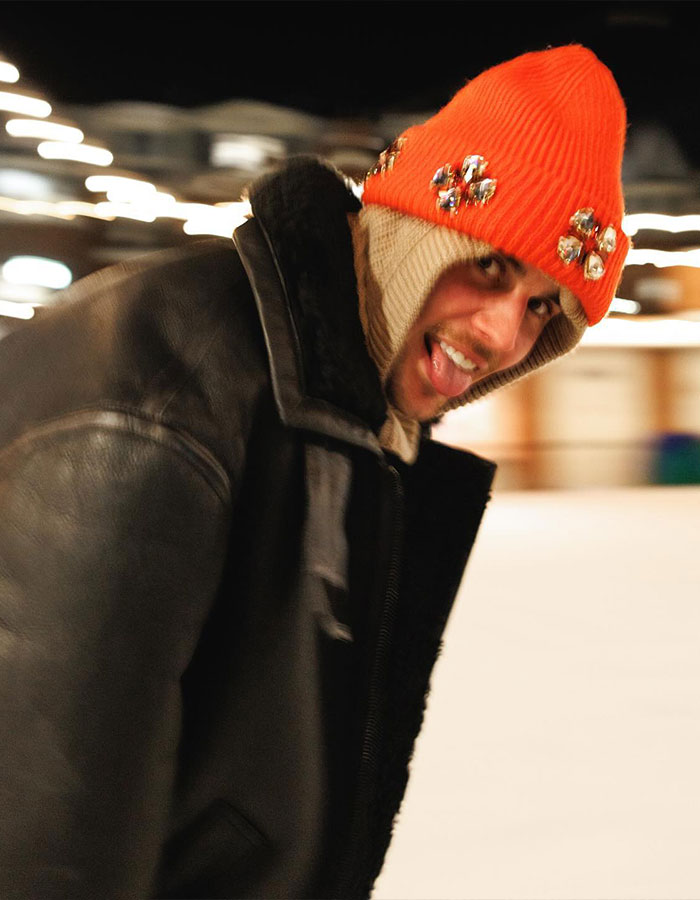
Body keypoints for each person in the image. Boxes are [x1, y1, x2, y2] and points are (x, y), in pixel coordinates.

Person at [0, 44, 627, 899]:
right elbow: (46, 829)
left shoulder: (347, 422)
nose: (502, 337)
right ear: (417, 230)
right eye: (489, 265)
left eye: (542, 307)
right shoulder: (165, 389)